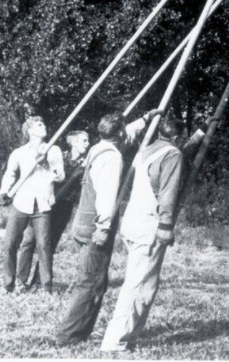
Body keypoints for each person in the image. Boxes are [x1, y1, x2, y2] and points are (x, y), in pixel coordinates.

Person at [100, 115, 205, 355]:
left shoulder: (148, 149)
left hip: (132, 223)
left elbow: (179, 155)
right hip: (150, 226)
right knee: (138, 286)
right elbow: (167, 192)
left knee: (143, 284)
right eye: (184, 138)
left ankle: (127, 337)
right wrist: (166, 226)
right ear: (177, 138)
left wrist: (201, 133)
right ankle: (115, 342)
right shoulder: (172, 155)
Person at [55, 109, 161, 347]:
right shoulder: (112, 158)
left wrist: (145, 119)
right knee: (91, 282)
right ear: (119, 132)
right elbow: (107, 194)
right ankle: (69, 335)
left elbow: (126, 135)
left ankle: (77, 332)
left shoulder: (98, 147)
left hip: (82, 222)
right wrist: (103, 227)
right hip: (96, 225)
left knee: (93, 281)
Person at [0, 115, 65, 293]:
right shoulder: (19, 153)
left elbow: (61, 176)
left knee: (44, 245)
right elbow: (10, 175)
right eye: (39, 124)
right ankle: (8, 284)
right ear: (30, 131)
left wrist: (47, 165)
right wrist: (3, 192)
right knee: (10, 243)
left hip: (43, 204)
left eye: (44, 123)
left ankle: (46, 286)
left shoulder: (54, 150)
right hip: (21, 203)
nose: (44, 126)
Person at [17, 129, 91, 290]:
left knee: (48, 244)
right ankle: (20, 281)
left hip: (64, 207)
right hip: (44, 203)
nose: (88, 143)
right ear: (74, 143)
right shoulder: (58, 156)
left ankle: (38, 281)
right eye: (84, 140)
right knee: (29, 241)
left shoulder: (87, 164)